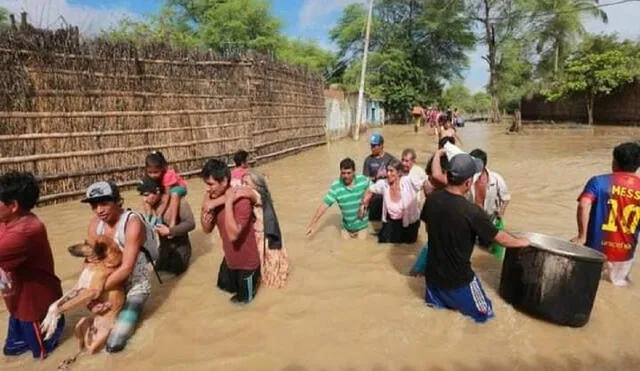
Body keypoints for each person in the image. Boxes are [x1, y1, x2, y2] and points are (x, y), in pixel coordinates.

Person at [423, 153, 530, 323]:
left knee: (437, 317)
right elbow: (501, 239)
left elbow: (429, 229)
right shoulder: (472, 212)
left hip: (433, 280)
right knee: (486, 317)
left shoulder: (431, 200)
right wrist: (524, 242)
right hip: (459, 283)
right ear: (468, 183)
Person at [0, 171, 64, 359]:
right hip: (16, 303)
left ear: (13, 206)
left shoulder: (26, 231)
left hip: (36, 311)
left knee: (42, 358)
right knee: (11, 351)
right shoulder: (9, 220)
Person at [82, 181, 151, 352]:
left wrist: (95, 290)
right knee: (87, 341)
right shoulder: (94, 226)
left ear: (118, 201)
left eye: (104, 203)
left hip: (135, 285)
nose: (99, 210)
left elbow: (127, 268)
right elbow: (91, 264)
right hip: (109, 287)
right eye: (94, 205)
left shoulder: (132, 223)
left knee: (114, 344)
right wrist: (92, 302)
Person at [571, 142, 640, 286]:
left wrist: (582, 236)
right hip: (625, 254)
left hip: (596, 249)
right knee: (618, 286)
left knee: (586, 284)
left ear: (614, 161)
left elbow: (583, 205)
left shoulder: (599, 181)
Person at [200, 159, 260, 304]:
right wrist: (205, 216)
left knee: (244, 306)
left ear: (224, 181)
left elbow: (233, 236)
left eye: (210, 184)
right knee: (220, 294)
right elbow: (206, 230)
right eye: (206, 184)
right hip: (229, 261)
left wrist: (227, 202)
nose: (208, 189)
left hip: (247, 265)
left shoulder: (242, 202)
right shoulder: (212, 198)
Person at [237, 170, 289, 288]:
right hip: (266, 235)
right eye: (242, 183)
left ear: (256, 185)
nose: (243, 186)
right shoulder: (263, 194)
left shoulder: (256, 195)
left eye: (246, 183)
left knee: (270, 276)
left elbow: (247, 193)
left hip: (265, 239)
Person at [138, 176, 195, 276]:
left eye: (147, 195)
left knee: (177, 273)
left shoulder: (179, 202)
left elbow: (191, 223)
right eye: (142, 195)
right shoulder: (150, 205)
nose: (145, 199)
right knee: (157, 272)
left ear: (158, 191)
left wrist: (170, 231)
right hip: (164, 247)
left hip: (180, 247)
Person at [306, 158, 371, 239]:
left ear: (354, 172)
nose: (346, 176)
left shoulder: (363, 180)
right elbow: (324, 205)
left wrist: (364, 202)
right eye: (343, 173)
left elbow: (374, 187)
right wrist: (312, 224)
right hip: (346, 229)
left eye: (349, 173)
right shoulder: (336, 186)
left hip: (362, 227)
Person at [360, 159, 422, 244]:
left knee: (407, 249)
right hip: (392, 222)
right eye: (387, 170)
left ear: (399, 172)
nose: (388, 174)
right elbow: (371, 190)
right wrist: (364, 204)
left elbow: (424, 183)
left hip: (410, 223)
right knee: (384, 245)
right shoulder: (384, 184)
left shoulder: (408, 181)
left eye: (391, 171)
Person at [468, 149, 511, 253]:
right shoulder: (467, 179)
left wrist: (500, 214)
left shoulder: (496, 179)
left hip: (488, 220)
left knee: (486, 247)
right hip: (470, 219)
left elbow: (505, 199)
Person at [144, 151, 188, 228]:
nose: (153, 175)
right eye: (150, 172)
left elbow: (167, 195)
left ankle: (172, 222)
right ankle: (150, 218)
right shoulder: (150, 178)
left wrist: (160, 214)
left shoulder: (167, 176)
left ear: (162, 168)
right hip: (166, 189)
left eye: (156, 172)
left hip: (178, 187)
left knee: (174, 194)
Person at [362, 133, 397, 227]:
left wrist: (387, 175)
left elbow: (399, 174)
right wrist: (376, 177)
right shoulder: (368, 160)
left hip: (387, 193)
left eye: (374, 146)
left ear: (381, 145)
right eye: (371, 145)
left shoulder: (390, 159)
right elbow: (365, 180)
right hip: (373, 194)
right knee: (373, 221)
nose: (372, 148)